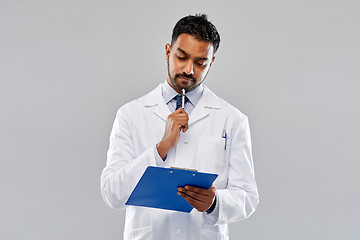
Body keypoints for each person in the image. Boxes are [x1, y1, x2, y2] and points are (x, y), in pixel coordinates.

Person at [101, 14, 259, 240]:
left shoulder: (232, 119)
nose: (189, 70)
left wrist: (215, 203)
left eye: (200, 62)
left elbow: (248, 197)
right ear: (168, 51)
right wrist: (161, 148)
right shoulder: (130, 115)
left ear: (211, 62)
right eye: (182, 57)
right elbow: (112, 193)